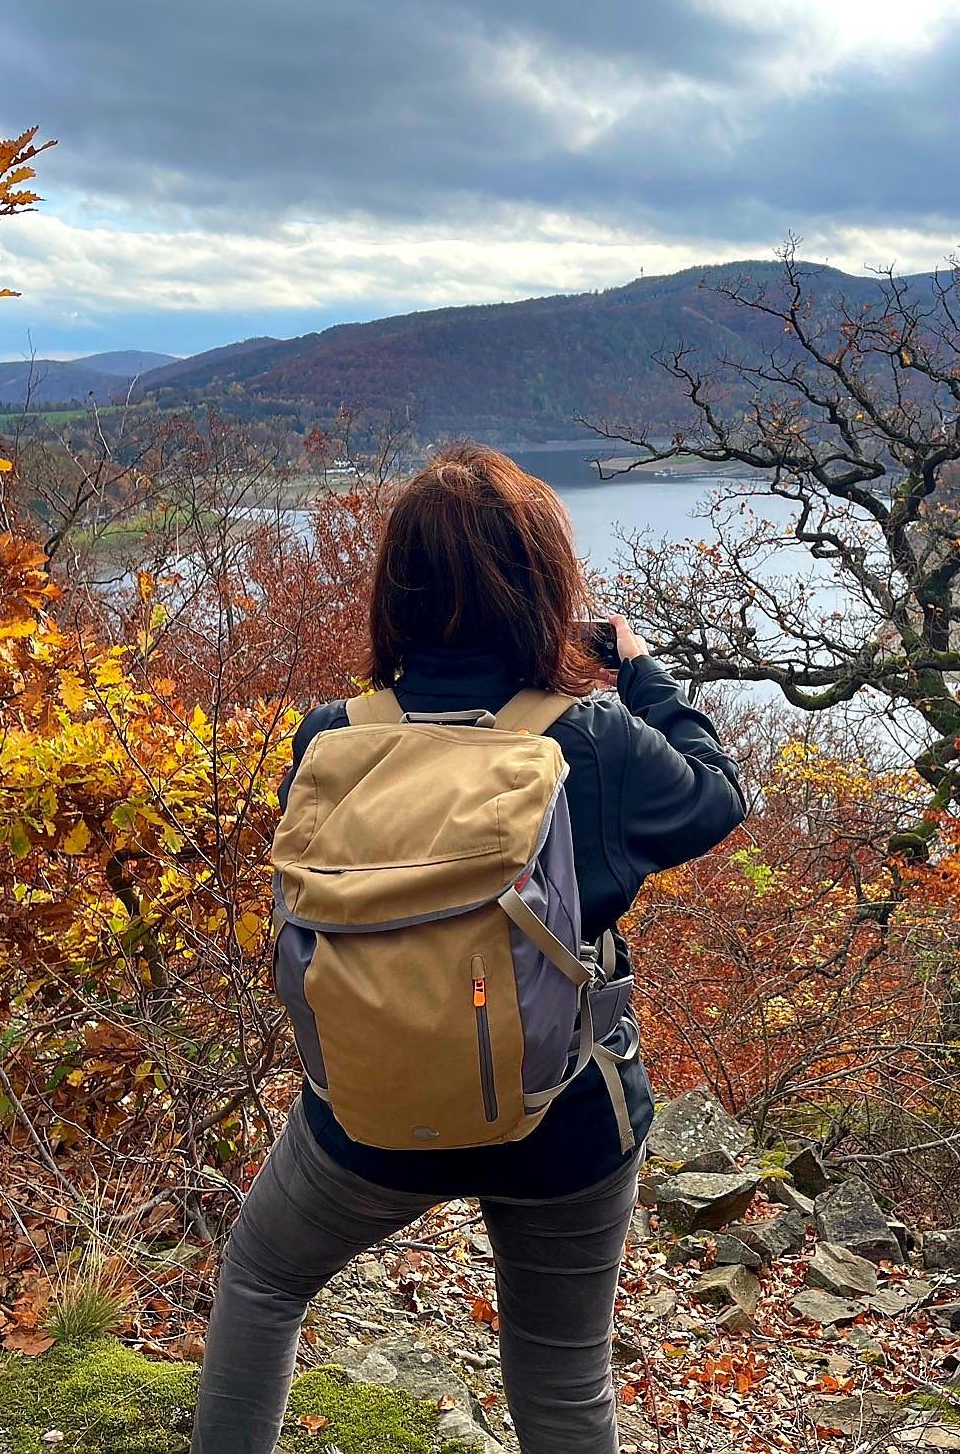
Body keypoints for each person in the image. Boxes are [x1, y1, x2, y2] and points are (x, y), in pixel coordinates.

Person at [192, 443, 747, 1454]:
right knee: (562, 1380)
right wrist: (638, 669)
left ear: (396, 591)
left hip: (368, 1106)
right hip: (563, 1116)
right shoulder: (590, 741)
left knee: (264, 1282)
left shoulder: (330, 739)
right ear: (543, 587)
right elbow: (718, 797)